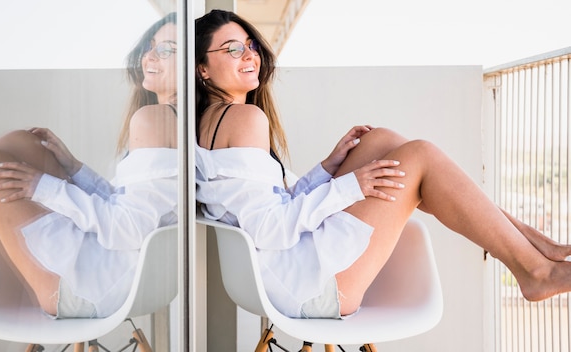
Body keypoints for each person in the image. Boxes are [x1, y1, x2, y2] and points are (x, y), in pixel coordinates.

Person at [193, 9, 571, 319]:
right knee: (418, 155)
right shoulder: (245, 120)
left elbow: (268, 205)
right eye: (231, 49)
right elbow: (270, 229)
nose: (249, 55)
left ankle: (530, 246)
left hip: (284, 276)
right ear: (202, 70)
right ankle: (537, 269)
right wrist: (350, 185)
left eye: (250, 45)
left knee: (382, 140)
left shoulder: (212, 121)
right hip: (308, 288)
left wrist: (328, 167)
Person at [0, 12, 178, 319]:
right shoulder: (174, 119)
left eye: (167, 49)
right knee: (23, 144)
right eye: (150, 46)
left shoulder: (157, 119)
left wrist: (42, 186)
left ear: (199, 69)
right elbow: (134, 208)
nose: (149, 56)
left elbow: (128, 228)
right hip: (115, 271)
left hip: (92, 286)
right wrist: (74, 168)